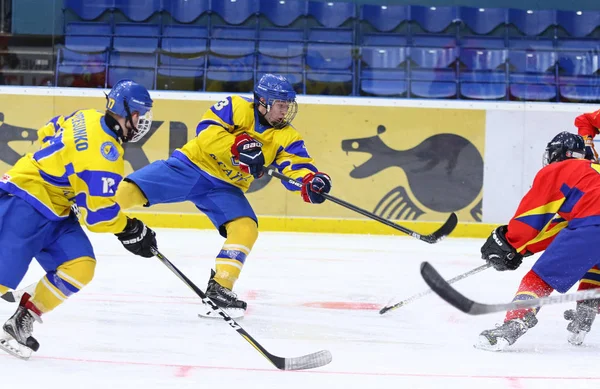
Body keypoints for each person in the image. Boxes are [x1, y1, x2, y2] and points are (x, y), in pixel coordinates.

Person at [114, 74, 332, 318]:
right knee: (130, 191)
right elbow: (206, 132)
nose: (285, 112)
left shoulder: (287, 136)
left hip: (225, 187)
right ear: (263, 101)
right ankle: (85, 206)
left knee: (246, 228)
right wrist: (237, 146)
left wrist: (310, 181)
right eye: (281, 106)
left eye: (288, 106)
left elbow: (296, 165)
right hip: (190, 166)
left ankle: (221, 288)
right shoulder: (235, 106)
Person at [0, 79, 159, 360]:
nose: (144, 122)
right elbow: (98, 218)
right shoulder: (105, 157)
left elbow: (48, 129)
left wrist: (63, 174)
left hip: (57, 209)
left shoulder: (86, 115)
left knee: (80, 266)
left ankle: (20, 321)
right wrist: (131, 228)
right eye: (141, 115)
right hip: (26, 200)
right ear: (129, 113)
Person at [476, 131, 600, 351]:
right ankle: (586, 312)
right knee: (594, 261)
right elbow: (559, 227)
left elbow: (531, 219)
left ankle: (515, 322)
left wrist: (510, 244)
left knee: (537, 279)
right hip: (591, 227)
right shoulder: (592, 174)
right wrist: (524, 250)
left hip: (593, 226)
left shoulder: (560, 169)